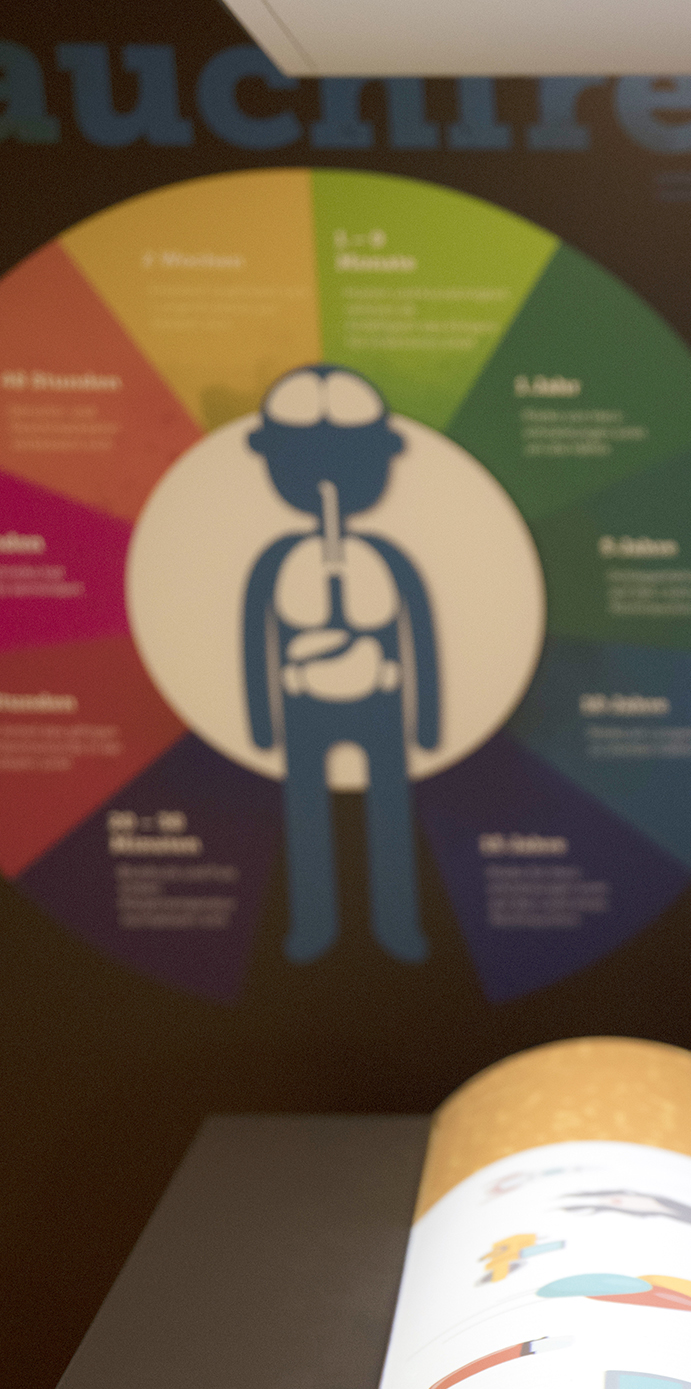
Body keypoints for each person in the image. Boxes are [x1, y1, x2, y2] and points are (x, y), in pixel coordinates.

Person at [242, 364, 437, 963]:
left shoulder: (387, 558)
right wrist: (263, 724)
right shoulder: (276, 561)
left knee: (389, 812)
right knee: (307, 816)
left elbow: (420, 635)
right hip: (304, 705)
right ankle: (314, 925)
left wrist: (425, 722)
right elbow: (255, 639)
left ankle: (397, 923)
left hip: (380, 702)